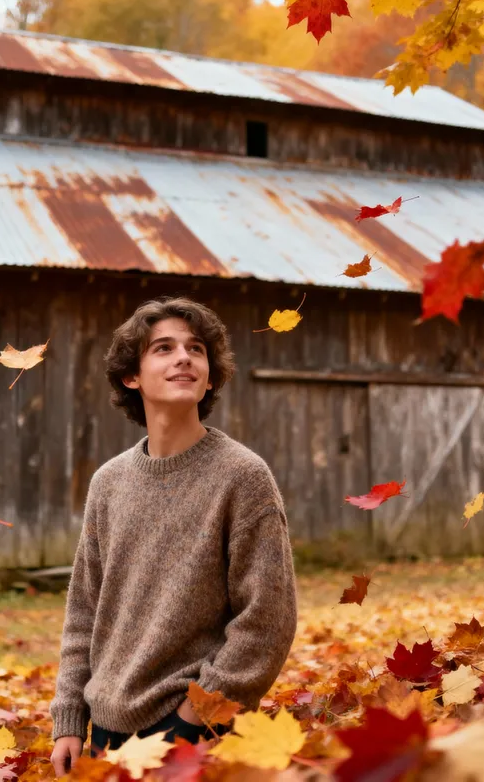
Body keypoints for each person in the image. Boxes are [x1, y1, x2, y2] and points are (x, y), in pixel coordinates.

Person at [49, 296, 299, 777]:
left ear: (210, 376)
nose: (184, 357)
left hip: (189, 731)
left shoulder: (242, 476)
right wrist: (69, 720)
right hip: (102, 733)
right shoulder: (108, 482)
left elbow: (267, 617)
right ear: (132, 376)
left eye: (196, 349)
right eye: (163, 348)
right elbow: (84, 612)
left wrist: (193, 721)